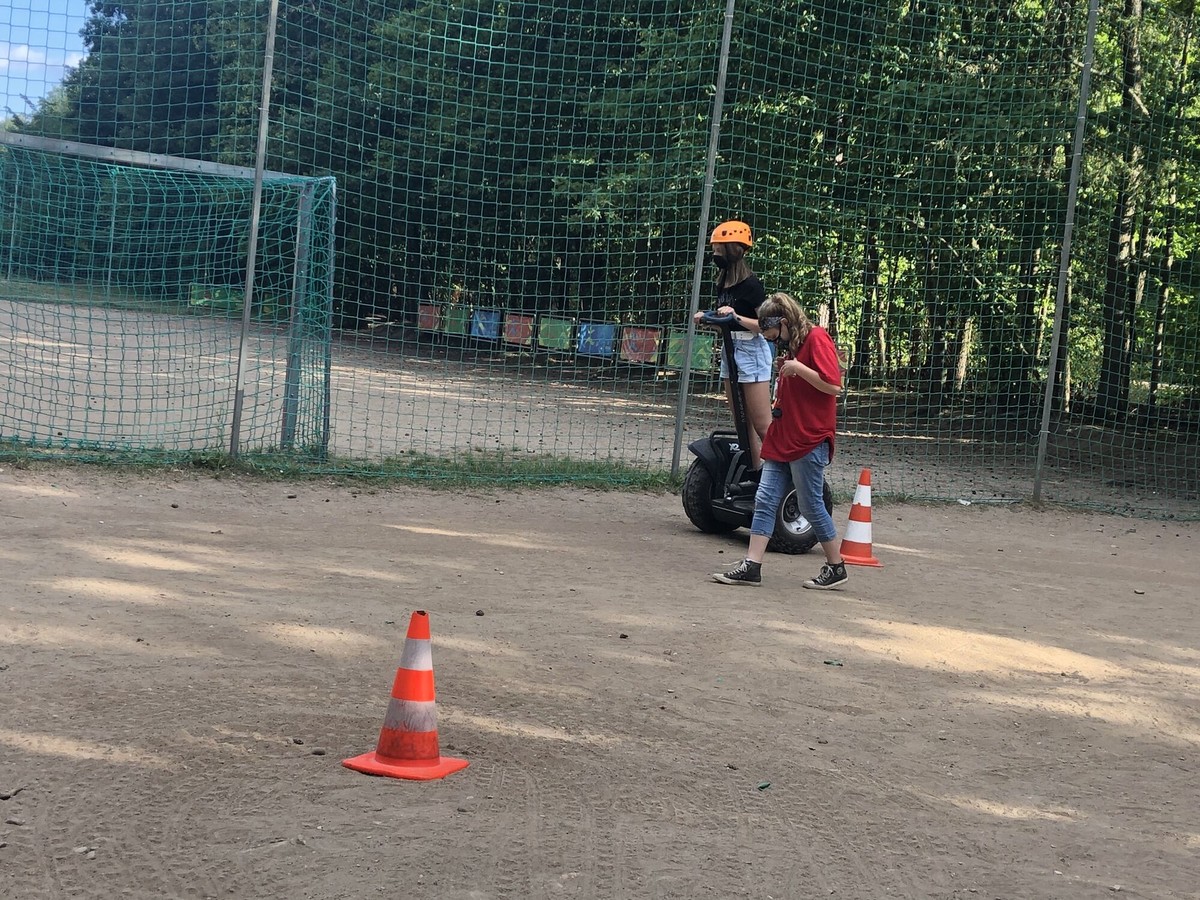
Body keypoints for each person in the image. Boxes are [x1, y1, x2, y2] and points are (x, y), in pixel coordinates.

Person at [711, 291, 848, 590]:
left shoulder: (816, 338)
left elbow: (834, 386)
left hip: (808, 438)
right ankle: (752, 565)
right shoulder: (795, 344)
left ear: (784, 322)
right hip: (784, 435)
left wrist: (798, 369)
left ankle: (836, 566)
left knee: (810, 506)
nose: (771, 340)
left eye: (772, 333)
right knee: (764, 499)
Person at [692, 220, 773, 471]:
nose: (716, 254)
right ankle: (755, 473)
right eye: (714, 249)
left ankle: (782, 475)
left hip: (752, 351)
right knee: (741, 422)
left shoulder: (752, 285)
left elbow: (767, 326)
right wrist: (709, 320)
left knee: (762, 425)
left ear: (734, 250)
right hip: (730, 349)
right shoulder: (723, 281)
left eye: (719, 249)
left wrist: (736, 317)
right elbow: (727, 323)